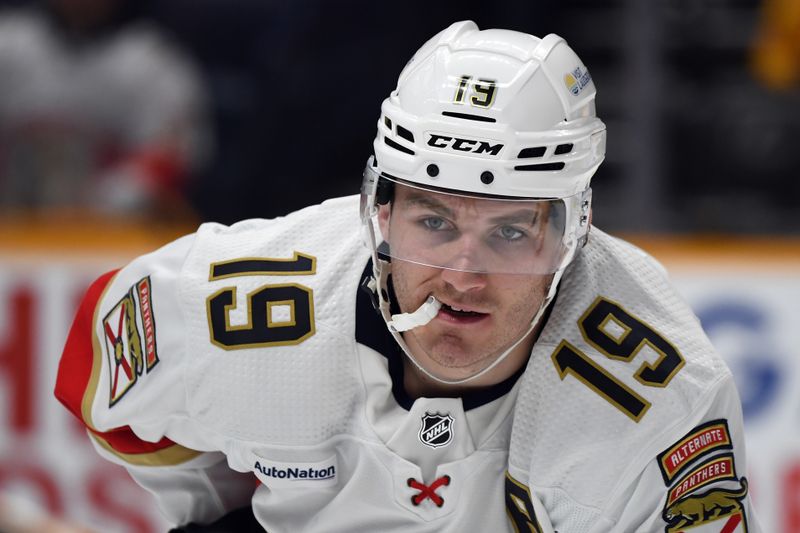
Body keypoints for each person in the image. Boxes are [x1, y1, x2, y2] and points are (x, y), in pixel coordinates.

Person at [54, 21, 761, 532]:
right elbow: (95, 352)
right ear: (380, 213)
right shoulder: (240, 303)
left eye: (510, 232)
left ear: (571, 233)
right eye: (434, 223)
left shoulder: (660, 403)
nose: (463, 275)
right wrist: (215, 512)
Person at [0, 0, 210, 218]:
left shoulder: (155, 63)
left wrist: (103, 202)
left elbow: (170, 155)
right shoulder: (8, 45)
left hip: (109, 230)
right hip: (8, 219)